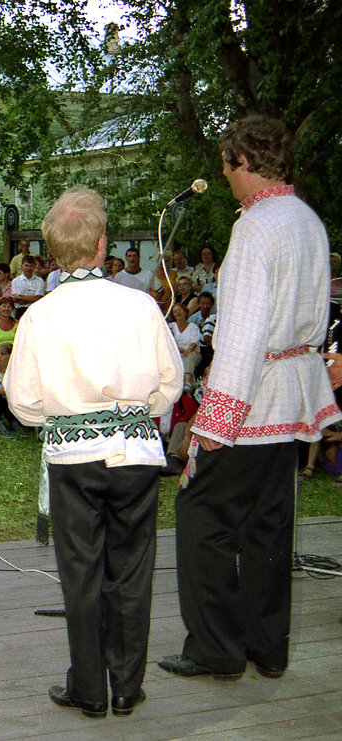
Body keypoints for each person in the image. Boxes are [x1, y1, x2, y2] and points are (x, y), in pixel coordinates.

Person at [160, 115, 341, 682]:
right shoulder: (307, 220)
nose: (225, 177)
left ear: (245, 164)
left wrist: (214, 421)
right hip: (290, 395)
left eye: (226, 166)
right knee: (268, 522)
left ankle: (216, 647)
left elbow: (242, 331)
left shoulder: (257, 226)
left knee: (201, 513)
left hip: (254, 397)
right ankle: (268, 646)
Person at [3, 188, 182, 718]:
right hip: (134, 455)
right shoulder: (141, 305)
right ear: (103, 245)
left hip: (73, 462)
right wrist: (134, 410)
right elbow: (170, 385)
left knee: (80, 573)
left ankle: (88, 688)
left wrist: (61, 418)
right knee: (130, 570)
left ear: (54, 254)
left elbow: (22, 402)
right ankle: (127, 685)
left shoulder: (40, 316)